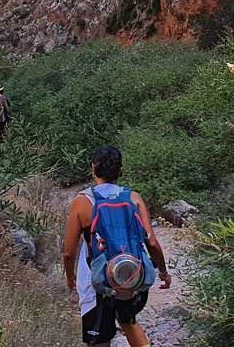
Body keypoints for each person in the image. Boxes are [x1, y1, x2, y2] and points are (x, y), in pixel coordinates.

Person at [63, 145, 171, 346]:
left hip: (96, 281)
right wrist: (163, 272)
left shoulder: (82, 202)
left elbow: (69, 252)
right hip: (131, 276)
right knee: (128, 321)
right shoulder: (133, 197)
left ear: (93, 168)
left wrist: (70, 278)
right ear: (120, 171)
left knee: (99, 338)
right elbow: (153, 243)